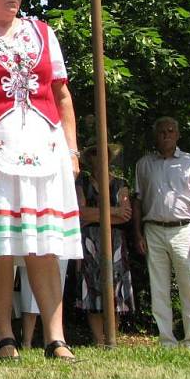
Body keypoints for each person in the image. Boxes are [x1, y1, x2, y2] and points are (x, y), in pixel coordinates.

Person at [0, 0, 82, 361]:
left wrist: (71, 149)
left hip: (45, 148)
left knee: (45, 246)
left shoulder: (43, 33)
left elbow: (62, 95)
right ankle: (4, 336)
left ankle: (56, 337)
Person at [134, 117, 190, 348]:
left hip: (183, 229)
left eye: (171, 131)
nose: (166, 135)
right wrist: (138, 234)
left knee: (189, 286)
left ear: (178, 134)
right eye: (162, 131)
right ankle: (166, 340)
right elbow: (138, 201)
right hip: (153, 229)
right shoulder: (145, 164)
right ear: (156, 135)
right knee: (159, 286)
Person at [75, 143, 135, 345]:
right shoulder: (82, 182)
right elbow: (81, 213)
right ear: (89, 158)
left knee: (115, 286)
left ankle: (112, 337)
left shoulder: (121, 183)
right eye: (94, 153)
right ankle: (97, 339)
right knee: (92, 285)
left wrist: (98, 214)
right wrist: (113, 211)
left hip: (115, 240)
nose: (99, 157)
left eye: (103, 153)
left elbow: (126, 215)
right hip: (90, 240)